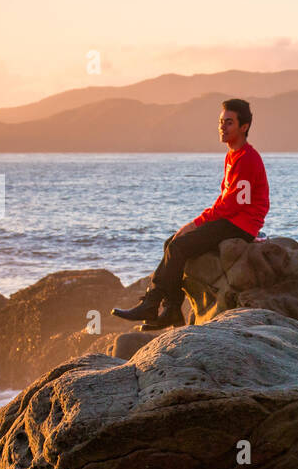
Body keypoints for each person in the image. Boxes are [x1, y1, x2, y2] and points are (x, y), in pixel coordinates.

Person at [113, 98, 269, 330]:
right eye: (220, 122)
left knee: (179, 246)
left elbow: (233, 204)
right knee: (172, 242)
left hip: (240, 224)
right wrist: (197, 223)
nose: (222, 127)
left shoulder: (247, 158)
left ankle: (152, 303)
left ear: (244, 127)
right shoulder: (233, 156)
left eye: (229, 123)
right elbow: (226, 201)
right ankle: (172, 310)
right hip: (232, 219)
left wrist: (195, 223)